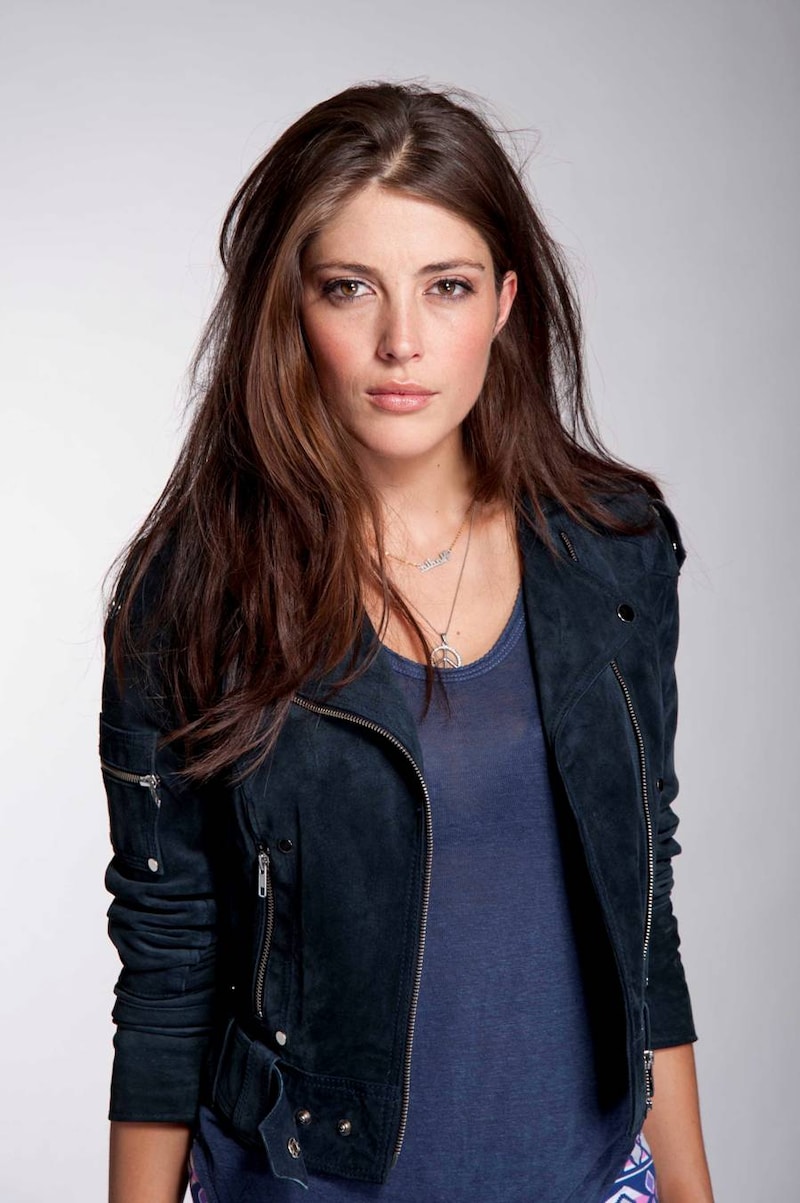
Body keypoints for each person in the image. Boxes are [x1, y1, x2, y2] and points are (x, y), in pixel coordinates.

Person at [101, 82, 714, 1203]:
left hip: (585, 1179)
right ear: (291, 306)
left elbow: (641, 912)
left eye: (447, 287)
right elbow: (168, 956)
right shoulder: (195, 595)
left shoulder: (611, 554)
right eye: (350, 288)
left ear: (505, 302)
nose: (401, 342)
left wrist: (691, 1192)